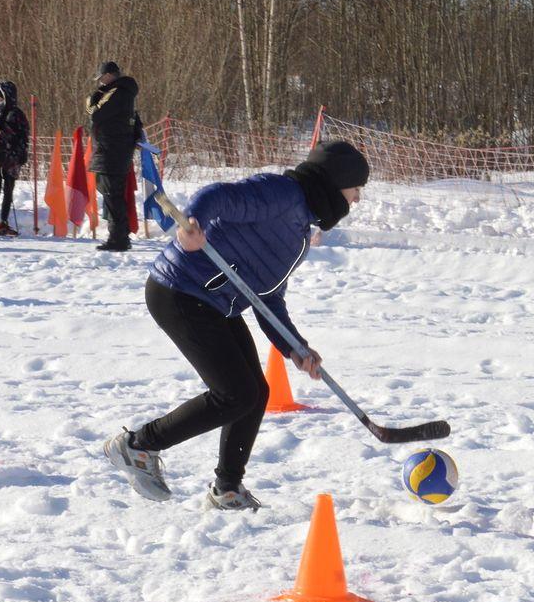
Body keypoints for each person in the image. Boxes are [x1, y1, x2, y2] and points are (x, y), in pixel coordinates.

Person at [103, 140, 371, 511]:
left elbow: (268, 297)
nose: (355, 199)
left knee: (255, 393)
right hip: (179, 290)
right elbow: (218, 196)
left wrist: (295, 347)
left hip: (217, 305)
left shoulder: (300, 233)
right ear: (338, 181)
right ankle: (138, 445)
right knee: (235, 393)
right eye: (356, 189)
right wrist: (192, 225)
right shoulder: (281, 193)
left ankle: (227, 488)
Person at [85, 61, 139, 252]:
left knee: (112, 196)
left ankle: (118, 238)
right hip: (116, 151)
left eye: (101, 79)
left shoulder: (117, 93)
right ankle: (120, 235)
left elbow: (96, 114)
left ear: (108, 76)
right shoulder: (125, 93)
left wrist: (92, 99)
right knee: (113, 195)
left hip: (111, 151)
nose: (99, 83)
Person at [0, 80, 30, 235]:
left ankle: (3, 220)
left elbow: (22, 136)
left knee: (8, 188)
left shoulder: (16, 114)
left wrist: (18, 153)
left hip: (11, 158)